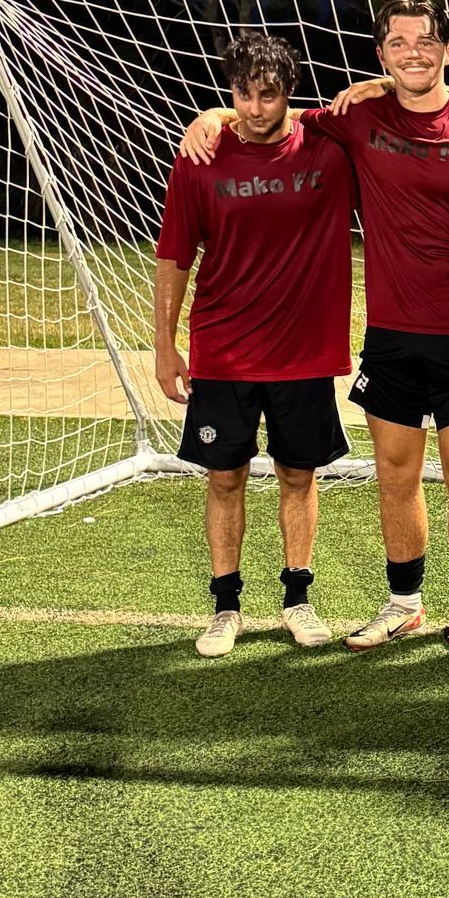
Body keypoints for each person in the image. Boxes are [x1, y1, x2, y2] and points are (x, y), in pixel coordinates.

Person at [180, 0, 449, 651]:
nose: (412, 51)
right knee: (394, 474)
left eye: (425, 41)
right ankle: (404, 601)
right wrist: (215, 112)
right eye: (397, 42)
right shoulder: (356, 119)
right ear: (381, 54)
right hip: (390, 334)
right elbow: (269, 113)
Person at [153, 32, 353, 656]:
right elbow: (175, 253)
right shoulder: (201, 156)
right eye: (242, 95)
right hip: (223, 348)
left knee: (299, 475)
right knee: (225, 478)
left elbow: (386, 96)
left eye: (269, 96)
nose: (255, 108)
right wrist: (164, 344)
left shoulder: (328, 144)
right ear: (230, 91)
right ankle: (225, 606)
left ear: (289, 94)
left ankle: (298, 598)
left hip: (303, 351)